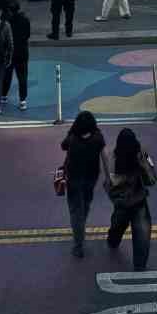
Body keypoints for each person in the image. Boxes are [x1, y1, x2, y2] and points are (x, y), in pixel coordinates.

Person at [104, 126, 157, 267]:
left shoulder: (140, 155)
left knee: (141, 238)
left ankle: (139, 266)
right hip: (125, 202)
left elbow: (151, 179)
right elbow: (111, 182)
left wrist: (142, 165)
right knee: (119, 228)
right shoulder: (113, 158)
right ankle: (113, 241)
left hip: (135, 201)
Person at [61, 111, 107, 259]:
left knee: (75, 211)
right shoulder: (98, 137)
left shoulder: (73, 139)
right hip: (91, 177)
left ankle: (78, 244)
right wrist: (108, 176)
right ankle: (81, 225)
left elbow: (63, 146)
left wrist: (71, 131)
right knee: (86, 204)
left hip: (74, 179)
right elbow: (105, 156)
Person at [0, 1, 31, 111]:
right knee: (22, 76)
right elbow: (27, 35)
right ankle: (22, 101)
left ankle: (3, 96)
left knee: (7, 75)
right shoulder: (25, 20)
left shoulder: (6, 22)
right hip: (22, 51)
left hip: (9, 52)